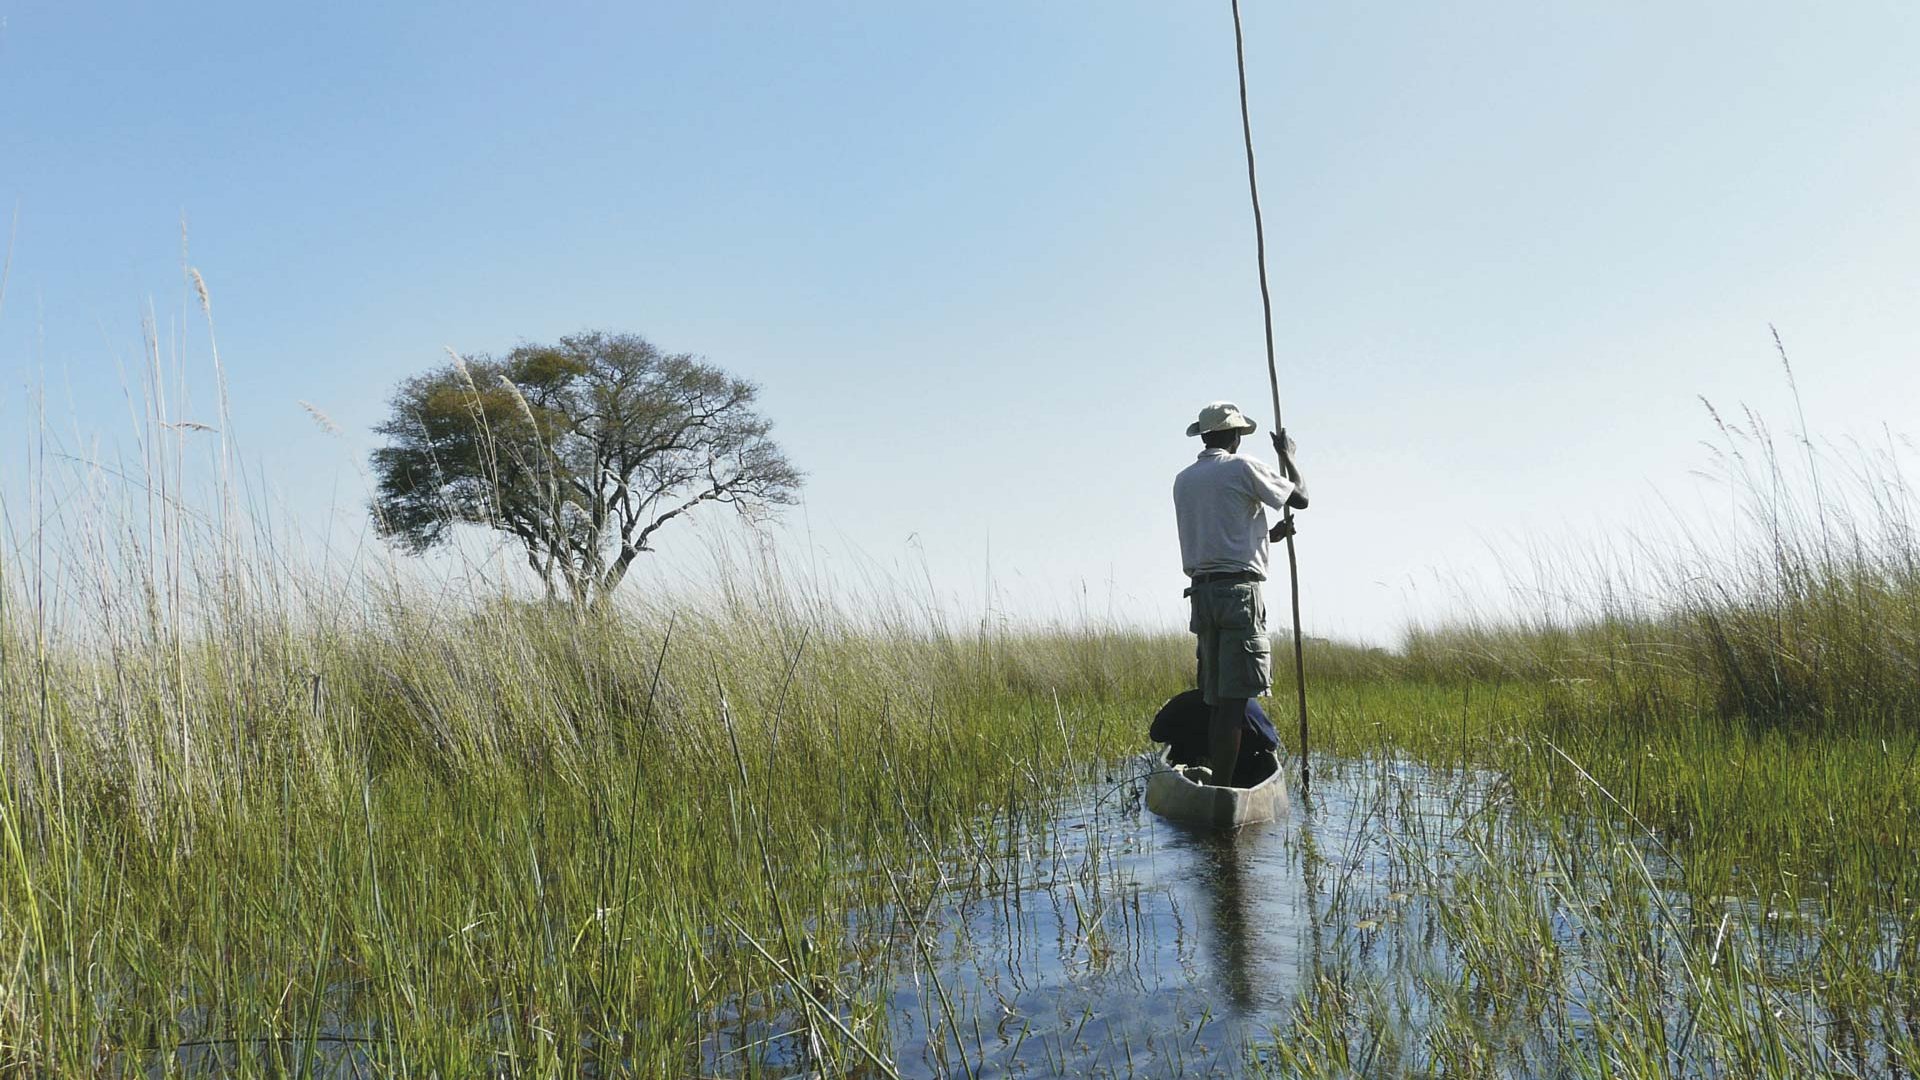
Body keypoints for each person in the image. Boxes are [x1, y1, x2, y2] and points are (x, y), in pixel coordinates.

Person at [1172, 401, 1309, 786]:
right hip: (1238, 595)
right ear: (1233, 435)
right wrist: (1288, 456)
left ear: (1204, 436)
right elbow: (1300, 498)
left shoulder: (1184, 479)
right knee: (1234, 704)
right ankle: (1224, 792)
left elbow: (1221, 533)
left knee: (1217, 701)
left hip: (1203, 595)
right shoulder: (1243, 466)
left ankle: (1217, 783)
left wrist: (1266, 536)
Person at [1149, 688, 1282, 787]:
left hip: (1191, 767)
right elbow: (1271, 743)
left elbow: (1156, 734)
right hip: (1239, 776)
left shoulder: (1183, 701)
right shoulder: (1246, 704)